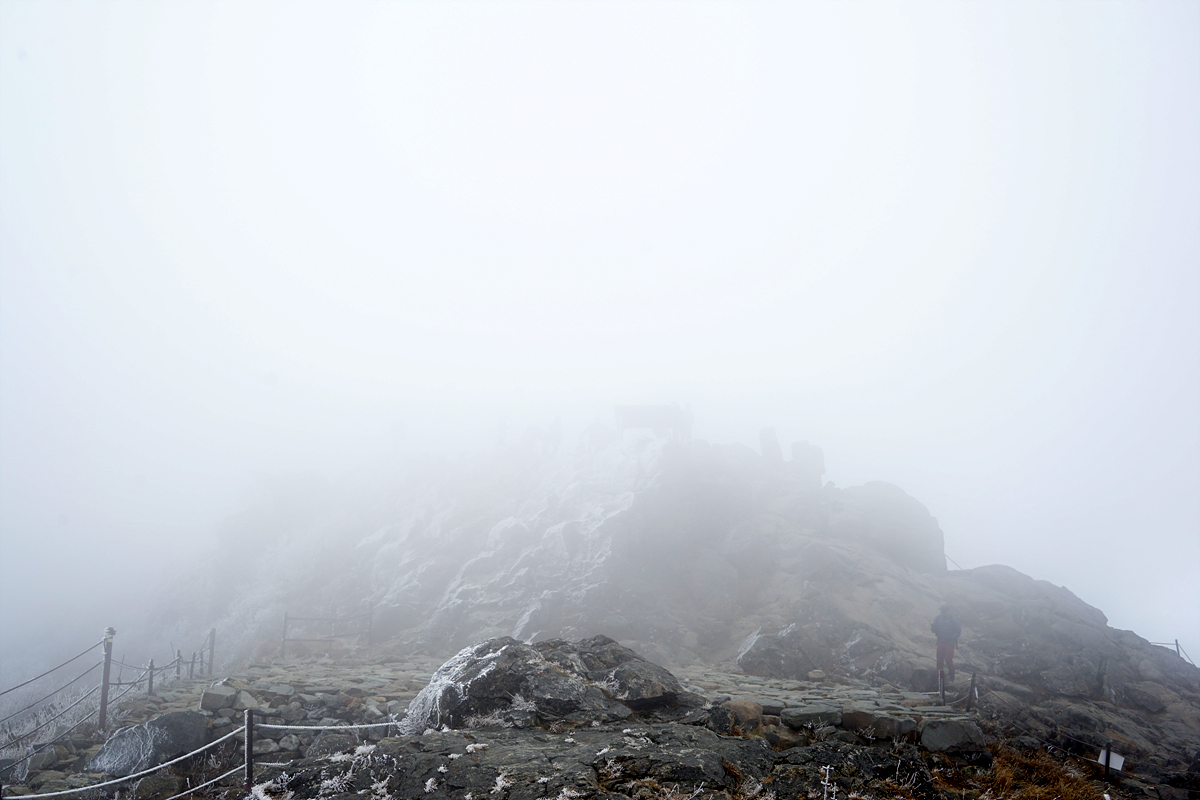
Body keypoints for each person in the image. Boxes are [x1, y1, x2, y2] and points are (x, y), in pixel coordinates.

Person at [931, 604, 961, 683]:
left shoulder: (952, 619)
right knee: (939, 660)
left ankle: (952, 675)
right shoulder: (937, 618)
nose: (943, 612)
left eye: (944, 610)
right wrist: (933, 629)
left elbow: (958, 631)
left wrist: (951, 638)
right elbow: (933, 630)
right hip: (940, 642)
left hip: (949, 643)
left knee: (948, 659)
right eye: (942, 610)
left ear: (948, 611)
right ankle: (938, 678)